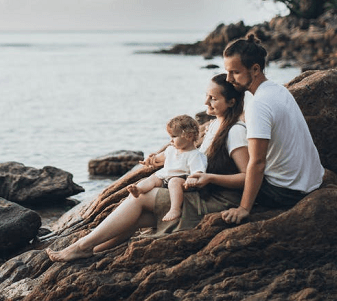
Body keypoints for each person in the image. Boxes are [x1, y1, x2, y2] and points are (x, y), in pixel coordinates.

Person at [46, 73, 248, 262]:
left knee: (140, 197)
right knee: (138, 216)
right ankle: (94, 250)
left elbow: (248, 177)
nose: (206, 102)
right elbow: (191, 155)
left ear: (231, 102)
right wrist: (162, 159)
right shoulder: (214, 125)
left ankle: (82, 246)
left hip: (218, 200)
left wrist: (211, 178)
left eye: (213, 98)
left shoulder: (235, 132)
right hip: (201, 192)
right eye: (206, 96)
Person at [221, 33, 325, 225]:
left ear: (255, 69)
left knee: (221, 173)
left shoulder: (258, 104)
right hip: (312, 181)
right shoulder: (277, 90)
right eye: (227, 72)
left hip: (286, 192)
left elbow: (258, 162)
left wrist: (244, 208)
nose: (228, 79)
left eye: (234, 72)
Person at [127, 115, 207, 222]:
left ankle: (175, 209)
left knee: (174, 182)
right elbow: (159, 158)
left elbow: (198, 171)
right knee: (153, 178)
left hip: (183, 181)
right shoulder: (171, 150)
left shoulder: (195, 155)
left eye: (174, 137)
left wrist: (193, 178)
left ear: (189, 136)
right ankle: (139, 190)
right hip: (166, 177)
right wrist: (150, 160)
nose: (171, 141)